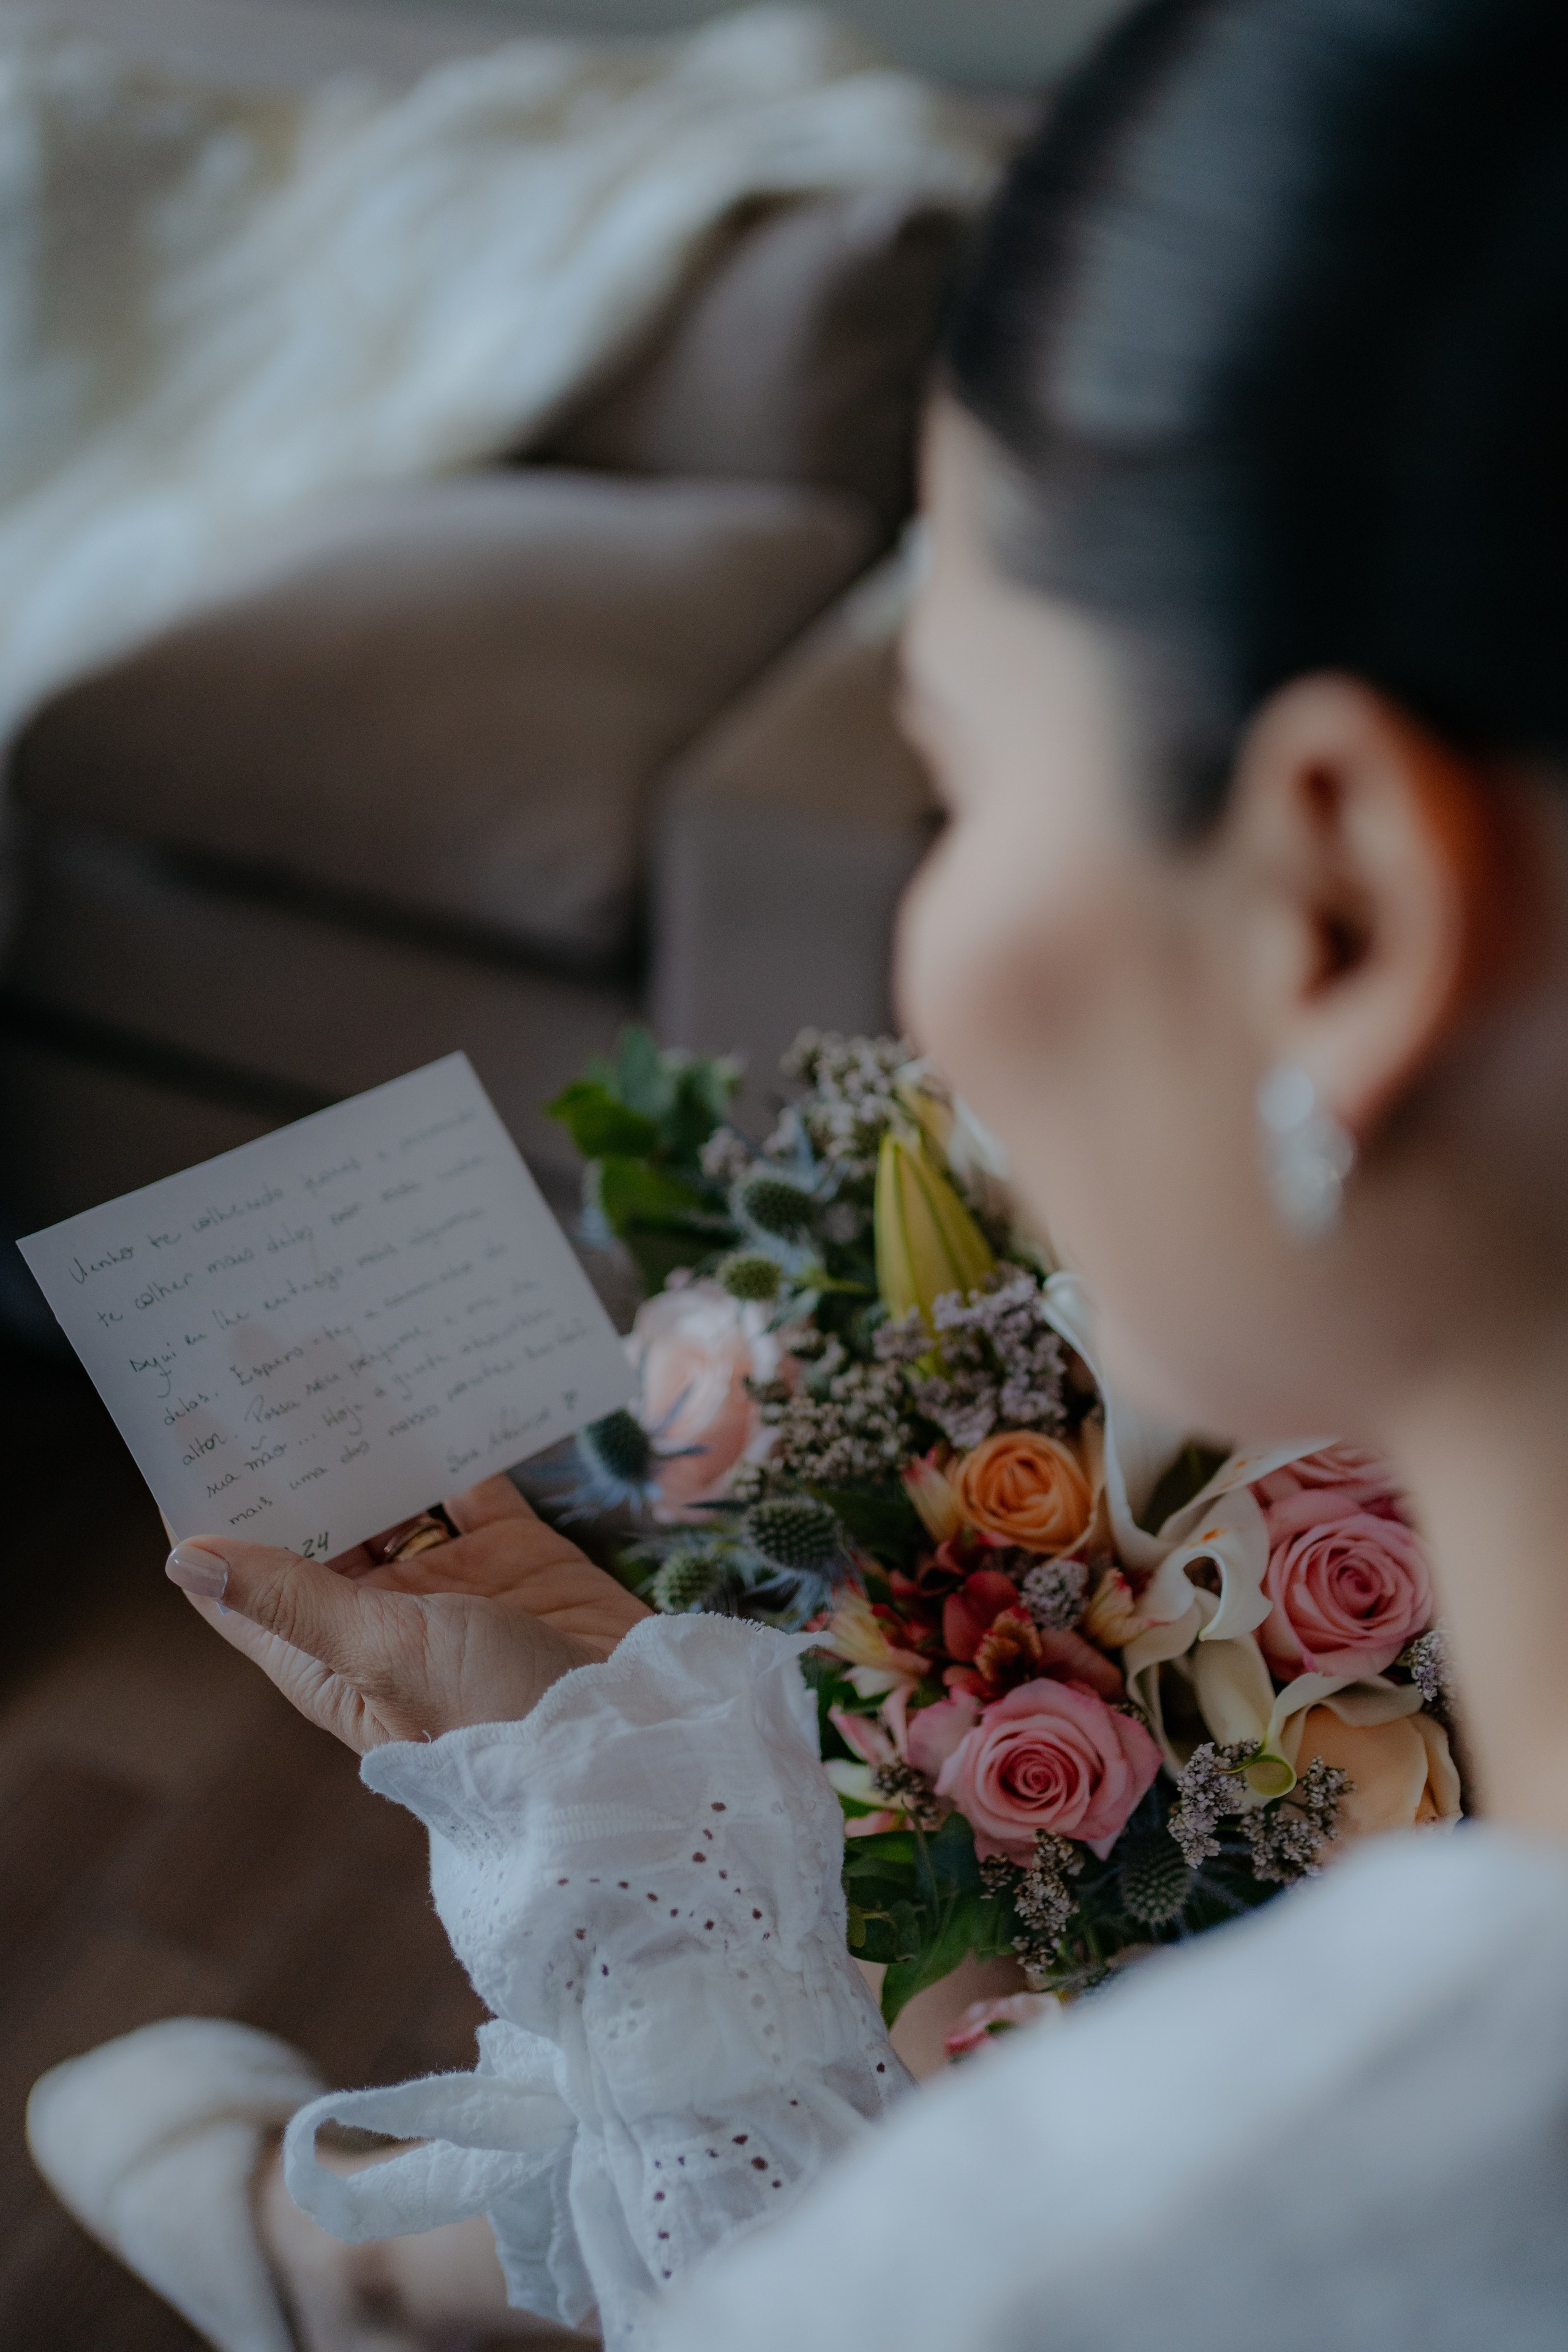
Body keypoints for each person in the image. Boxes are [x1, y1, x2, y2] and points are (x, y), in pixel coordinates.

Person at [28, 0, 1568, 2343]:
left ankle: (305, 2261)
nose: (926, 953)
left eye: (956, 777)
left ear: (1337, 905)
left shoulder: (1203, 2222)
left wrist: (624, 1847)